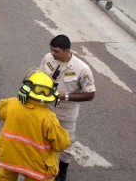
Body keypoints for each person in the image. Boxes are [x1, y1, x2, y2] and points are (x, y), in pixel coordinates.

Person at [0, 70, 70, 181]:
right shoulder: (49, 118)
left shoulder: (11, 104)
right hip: (36, 165)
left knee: (4, 177)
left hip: (9, 156)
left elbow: (1, 111)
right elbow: (61, 144)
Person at [40, 35, 95, 181]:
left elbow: (90, 94)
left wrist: (64, 96)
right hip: (45, 108)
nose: (52, 53)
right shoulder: (48, 58)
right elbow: (40, 76)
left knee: (66, 143)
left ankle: (62, 172)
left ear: (67, 51)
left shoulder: (82, 69)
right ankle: (42, 164)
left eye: (56, 51)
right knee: (41, 138)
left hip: (65, 114)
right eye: (51, 49)